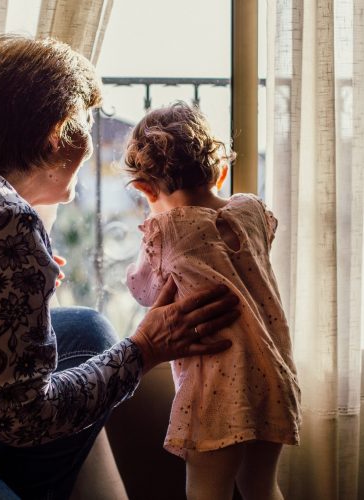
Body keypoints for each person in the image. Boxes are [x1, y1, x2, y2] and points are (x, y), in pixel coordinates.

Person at [0, 36, 240, 500]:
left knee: (86, 328)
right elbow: (25, 417)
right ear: (59, 133)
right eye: (85, 122)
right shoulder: (2, 217)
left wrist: (19, 289)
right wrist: (145, 348)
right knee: (106, 347)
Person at [124, 102, 301, 500]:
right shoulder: (251, 210)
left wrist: (150, 242)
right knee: (261, 486)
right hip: (272, 373)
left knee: (207, 491)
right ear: (220, 171)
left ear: (144, 189)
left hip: (217, 389)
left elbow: (145, 291)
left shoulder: (165, 229)